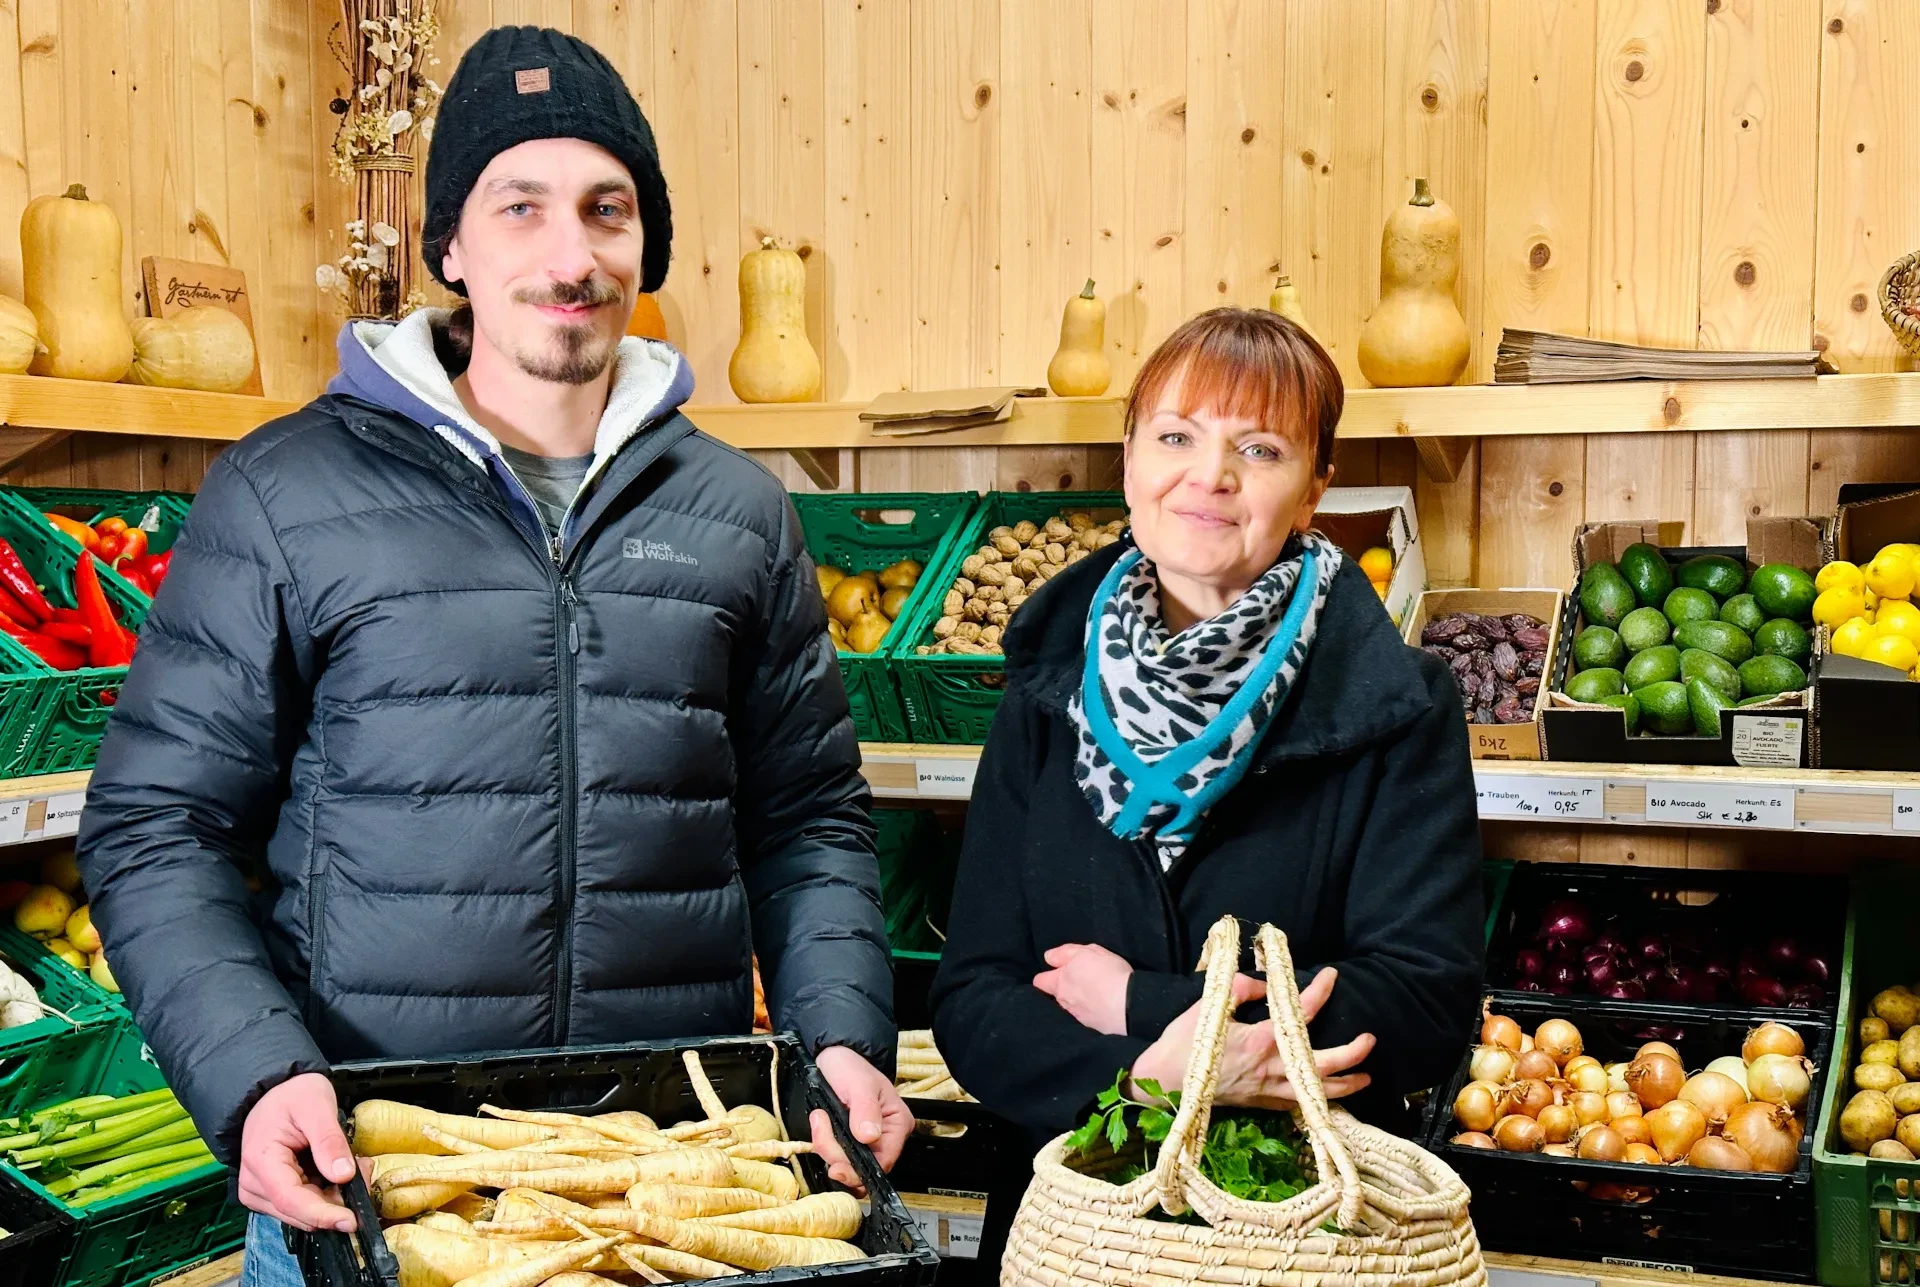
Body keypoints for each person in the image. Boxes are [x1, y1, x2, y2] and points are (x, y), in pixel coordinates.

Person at [76, 25, 907, 1283]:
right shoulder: (285, 493)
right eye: (520, 207)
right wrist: (251, 1077)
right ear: (453, 248)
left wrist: (840, 1035)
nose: (570, 256)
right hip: (380, 1180)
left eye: (606, 209)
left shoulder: (739, 512)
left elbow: (810, 821)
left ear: (646, 246)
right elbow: (155, 824)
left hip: (665, 1188)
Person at [929, 308, 1484, 1144]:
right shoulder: (1048, 680)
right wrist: (1145, 1080)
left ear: (1314, 488)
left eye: (1259, 449)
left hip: (1300, 1227)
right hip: (1073, 1220)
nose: (1210, 475)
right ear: (1129, 462)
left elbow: (1420, 1004)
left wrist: (1140, 1005)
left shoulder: (1397, 701)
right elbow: (973, 997)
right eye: (1176, 437)